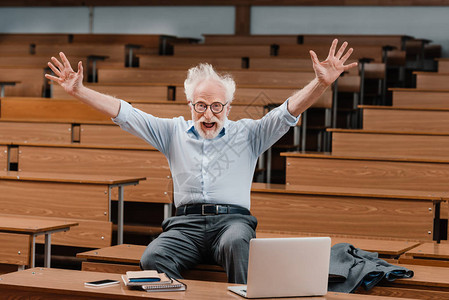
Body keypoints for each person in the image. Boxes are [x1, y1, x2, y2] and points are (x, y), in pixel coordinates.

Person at [45, 39, 357, 284]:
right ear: (190, 104)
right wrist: (80, 91)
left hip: (232, 223)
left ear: (229, 107)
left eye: (217, 106)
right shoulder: (172, 131)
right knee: (154, 255)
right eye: (201, 105)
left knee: (239, 244)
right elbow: (124, 113)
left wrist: (322, 84)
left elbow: (288, 111)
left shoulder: (249, 133)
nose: (208, 114)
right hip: (184, 227)